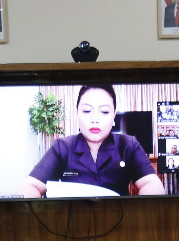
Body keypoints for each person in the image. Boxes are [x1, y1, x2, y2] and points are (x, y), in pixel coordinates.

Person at [17, 85, 166, 198]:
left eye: (104, 112)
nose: (95, 119)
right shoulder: (62, 147)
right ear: (77, 113)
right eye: (87, 111)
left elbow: (152, 183)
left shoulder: (128, 145)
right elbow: (31, 185)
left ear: (114, 115)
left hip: (120, 227)